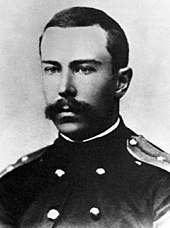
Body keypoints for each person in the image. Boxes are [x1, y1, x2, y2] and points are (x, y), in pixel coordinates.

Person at [0, 6, 170, 228]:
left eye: (83, 69)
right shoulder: (14, 184)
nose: (64, 88)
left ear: (121, 82)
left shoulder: (160, 185)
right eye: (52, 69)